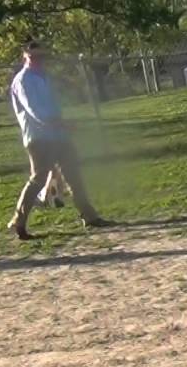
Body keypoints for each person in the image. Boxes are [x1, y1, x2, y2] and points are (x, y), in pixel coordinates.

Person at [7, 41, 111, 240]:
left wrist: (63, 124)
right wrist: (60, 123)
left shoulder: (44, 77)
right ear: (25, 57)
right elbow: (35, 111)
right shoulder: (23, 80)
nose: (38, 60)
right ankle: (18, 222)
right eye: (33, 56)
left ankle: (89, 216)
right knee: (38, 179)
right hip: (39, 137)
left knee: (74, 175)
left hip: (59, 136)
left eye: (40, 56)